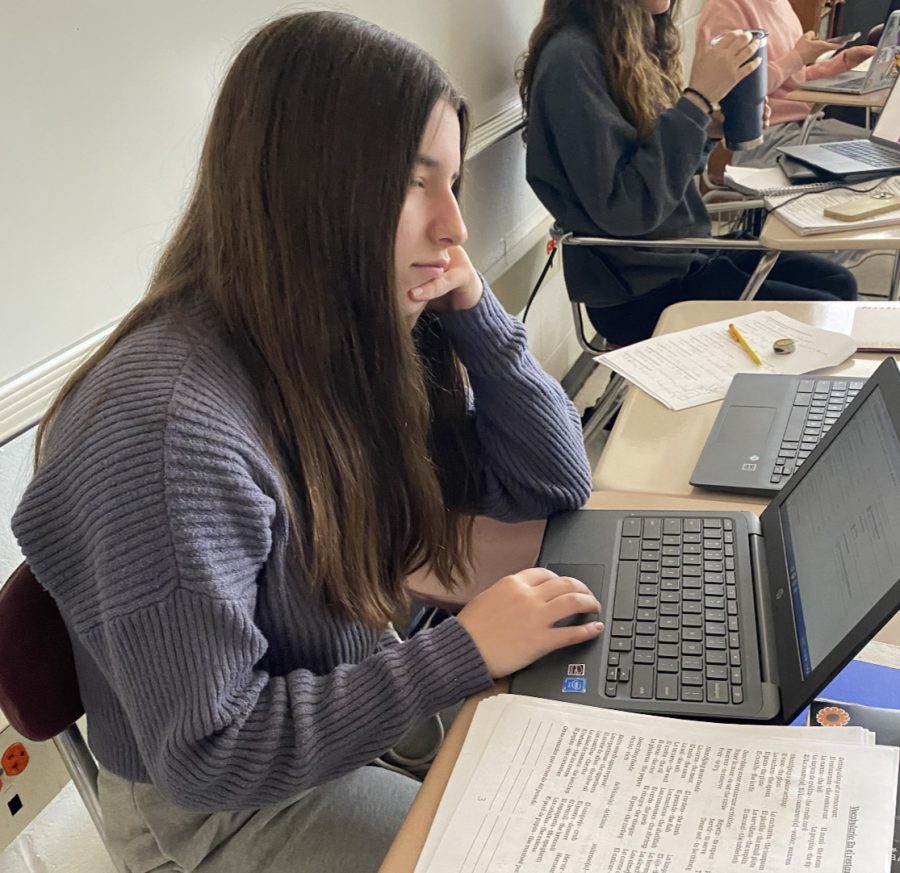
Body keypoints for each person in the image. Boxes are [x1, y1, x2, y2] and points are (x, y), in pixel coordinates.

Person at [11, 12, 603, 873]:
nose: (455, 227)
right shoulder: (163, 433)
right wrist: (464, 648)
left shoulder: (338, 329)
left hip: (344, 691)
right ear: (309, 190)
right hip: (224, 807)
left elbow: (554, 481)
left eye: (454, 182)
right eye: (413, 182)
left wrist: (474, 310)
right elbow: (210, 751)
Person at [519, 0, 858, 347]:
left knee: (837, 282)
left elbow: (662, 170)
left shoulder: (627, 43)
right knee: (824, 312)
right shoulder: (572, 60)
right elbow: (628, 210)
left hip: (680, 255)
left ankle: (778, 396)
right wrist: (697, 101)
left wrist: (706, 128)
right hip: (639, 288)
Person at [697, 0, 876, 168]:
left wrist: (843, 62)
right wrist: (797, 57)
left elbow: (792, 80)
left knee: (887, 150)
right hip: (760, 139)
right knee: (877, 162)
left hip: (804, 125)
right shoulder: (727, 8)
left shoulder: (779, 4)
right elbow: (734, 91)